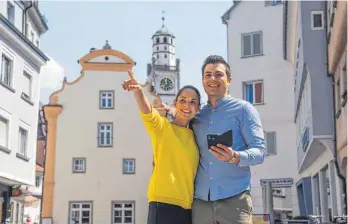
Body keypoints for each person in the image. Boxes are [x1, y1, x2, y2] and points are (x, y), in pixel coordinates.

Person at [189, 55, 266, 224]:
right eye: (208, 75)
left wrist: (235, 157)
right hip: (201, 203)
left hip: (235, 200)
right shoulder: (196, 116)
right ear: (202, 80)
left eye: (218, 74)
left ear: (229, 80)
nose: (212, 79)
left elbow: (259, 152)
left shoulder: (244, 110)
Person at [121, 70, 200, 224]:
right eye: (183, 100)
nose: (187, 105)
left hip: (187, 208)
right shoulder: (162, 127)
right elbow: (149, 112)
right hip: (162, 204)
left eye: (192, 102)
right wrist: (138, 92)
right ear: (175, 103)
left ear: (198, 107)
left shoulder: (195, 137)